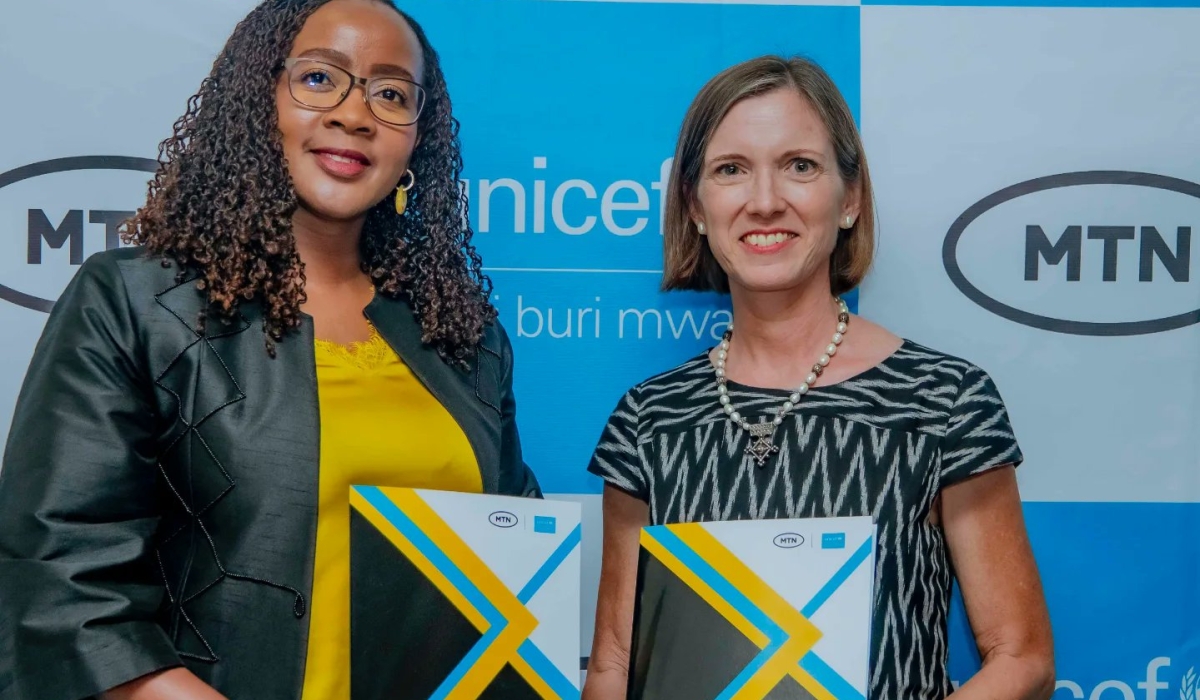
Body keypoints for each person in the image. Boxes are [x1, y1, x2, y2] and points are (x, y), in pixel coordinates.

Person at [0, 1, 540, 698]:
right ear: (257, 100)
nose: (355, 113)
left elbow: (514, 570)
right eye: (321, 79)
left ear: (418, 142)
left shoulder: (464, 336)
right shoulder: (134, 303)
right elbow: (60, 579)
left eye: (391, 93)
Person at [582, 56, 1054, 700]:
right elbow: (614, 663)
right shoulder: (649, 420)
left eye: (799, 165)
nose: (766, 200)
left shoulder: (944, 403)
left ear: (850, 198)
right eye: (731, 170)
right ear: (694, 205)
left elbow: (1020, 658)